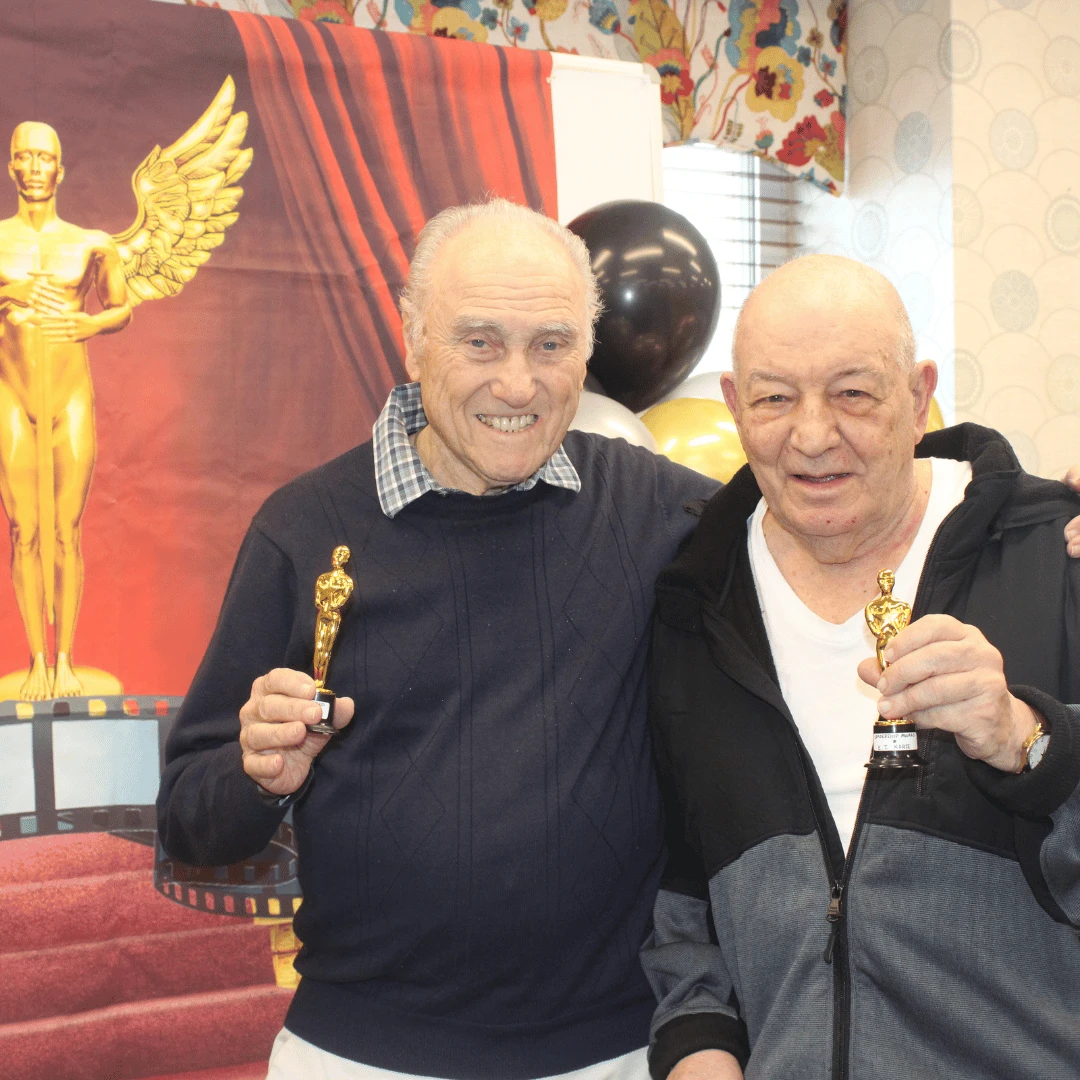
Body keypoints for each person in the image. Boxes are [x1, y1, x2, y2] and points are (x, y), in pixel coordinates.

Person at [156, 199, 719, 1080]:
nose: (519, 384)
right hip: (359, 1055)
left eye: (551, 344)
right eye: (481, 342)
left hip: (615, 1051)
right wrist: (257, 775)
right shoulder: (302, 532)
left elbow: (831, 506)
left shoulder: (661, 512)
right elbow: (191, 824)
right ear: (413, 340)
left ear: (587, 350)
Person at [643, 254, 1080, 1080]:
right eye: (774, 397)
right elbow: (686, 893)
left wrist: (1031, 743)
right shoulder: (692, 604)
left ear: (919, 397)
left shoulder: (1055, 554)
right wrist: (698, 1044)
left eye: (853, 393)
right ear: (734, 407)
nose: (812, 436)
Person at [0, 122, 132, 699]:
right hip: (12, 397)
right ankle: (34, 659)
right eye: (23, 157)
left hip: (70, 398)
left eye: (44, 158)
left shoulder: (91, 243)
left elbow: (122, 308)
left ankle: (66, 661)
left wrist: (89, 322)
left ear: (61, 169)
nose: (34, 168)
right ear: (10, 168)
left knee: (66, 531)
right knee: (25, 529)